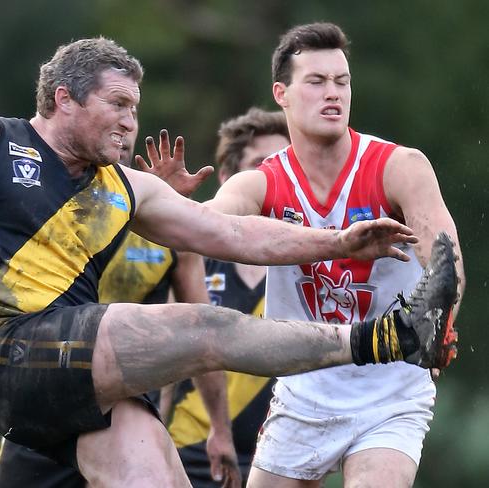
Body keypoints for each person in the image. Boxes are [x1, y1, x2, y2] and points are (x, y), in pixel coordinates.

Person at [0, 37, 457, 488]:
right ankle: (388, 337)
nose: (130, 121)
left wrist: (340, 242)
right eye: (116, 104)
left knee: (162, 478)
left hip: (75, 372)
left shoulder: (127, 188)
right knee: (205, 326)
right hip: (3, 353)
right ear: (65, 98)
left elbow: (234, 233)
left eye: (135, 107)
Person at [142, 23, 464, 488]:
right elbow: (205, 228)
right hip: (304, 391)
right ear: (282, 93)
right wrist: (168, 205)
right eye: (316, 81)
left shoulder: (400, 167)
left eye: (342, 81)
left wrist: (442, 317)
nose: (333, 93)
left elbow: (446, 266)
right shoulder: (260, 181)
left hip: (390, 390)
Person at [0, 126, 210, 487]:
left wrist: (166, 208)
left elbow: (200, 323)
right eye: (113, 108)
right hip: (41, 411)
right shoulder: (45, 218)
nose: (123, 125)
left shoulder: (156, 221)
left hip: (125, 414)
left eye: (131, 112)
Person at [166, 108, 290, 487]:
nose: (272, 178)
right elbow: (162, 361)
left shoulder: (314, 267)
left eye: (284, 166)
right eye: (259, 167)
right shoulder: (194, 260)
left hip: (284, 456)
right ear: (228, 179)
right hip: (191, 448)